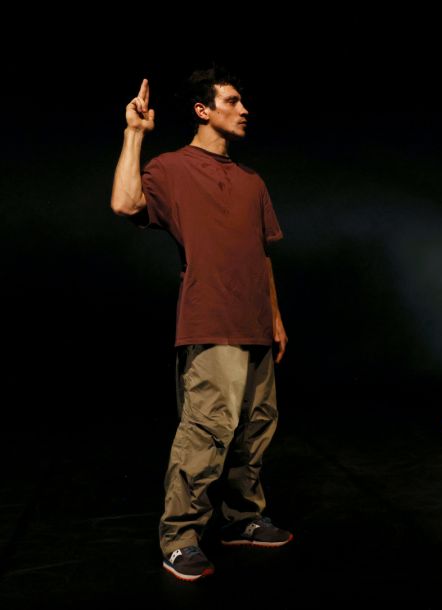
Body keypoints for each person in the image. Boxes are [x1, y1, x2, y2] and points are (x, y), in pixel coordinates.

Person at [110, 68, 292, 581]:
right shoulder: (173, 168)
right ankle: (180, 538)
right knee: (208, 430)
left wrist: (276, 317)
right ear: (202, 110)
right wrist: (134, 134)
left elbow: (262, 255)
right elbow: (124, 203)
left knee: (256, 428)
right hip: (211, 320)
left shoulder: (252, 181)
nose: (244, 109)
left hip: (256, 322)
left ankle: (243, 519)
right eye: (232, 101)